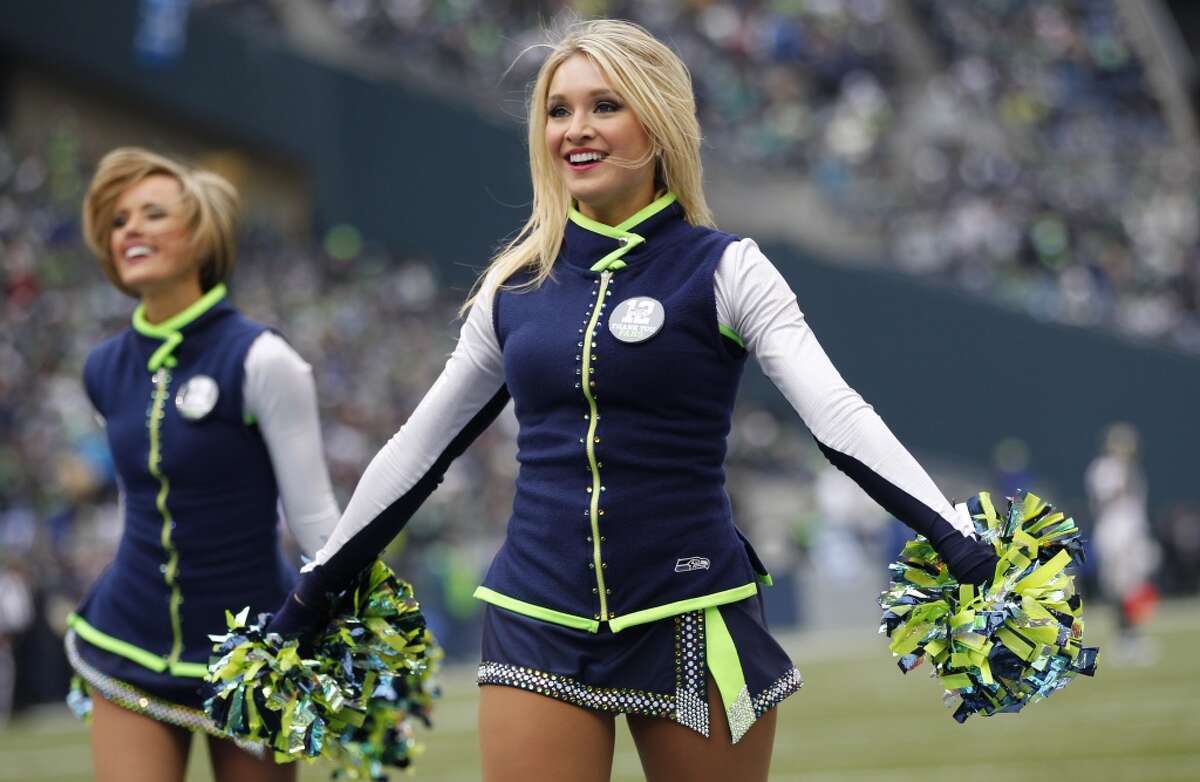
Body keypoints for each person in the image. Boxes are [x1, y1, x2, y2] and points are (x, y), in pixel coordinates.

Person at [268, 20, 997, 781]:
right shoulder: (514, 288)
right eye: (558, 110)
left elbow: (838, 416)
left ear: (657, 123)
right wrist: (312, 594)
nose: (575, 130)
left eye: (604, 106)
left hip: (691, 612)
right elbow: (418, 450)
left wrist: (958, 540)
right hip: (536, 614)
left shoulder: (728, 270)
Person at [68, 148, 341, 782]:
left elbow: (315, 517)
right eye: (118, 221)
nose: (130, 228)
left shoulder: (263, 360)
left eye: (153, 214)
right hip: (128, 637)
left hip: (251, 653)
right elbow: (140, 503)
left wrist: (348, 624)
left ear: (200, 237)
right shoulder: (102, 368)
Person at [1085, 422, 1160, 664]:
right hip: (1114, 533)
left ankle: (1133, 635)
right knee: (1118, 587)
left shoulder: (1132, 469)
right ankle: (1124, 638)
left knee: (1136, 586)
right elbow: (1103, 501)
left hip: (1133, 531)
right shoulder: (1104, 469)